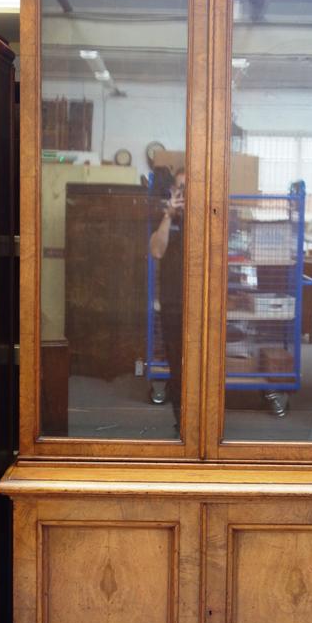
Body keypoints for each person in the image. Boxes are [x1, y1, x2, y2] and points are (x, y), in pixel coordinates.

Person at [149, 168, 185, 429]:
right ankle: (181, 422)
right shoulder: (165, 218)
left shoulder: (206, 217)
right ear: (173, 191)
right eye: (180, 189)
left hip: (201, 304)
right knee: (177, 365)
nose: (184, 194)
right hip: (173, 303)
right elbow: (156, 251)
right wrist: (168, 216)